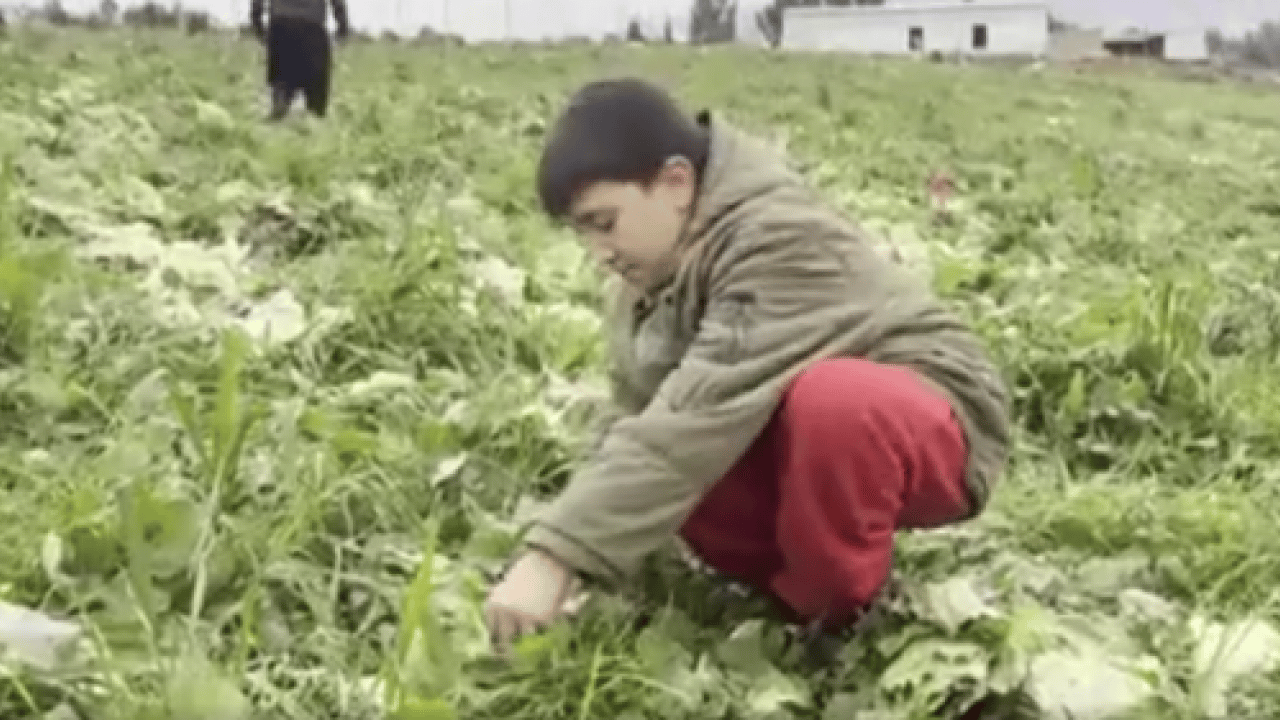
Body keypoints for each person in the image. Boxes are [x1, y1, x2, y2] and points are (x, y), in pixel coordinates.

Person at [482, 78, 1012, 658]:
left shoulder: (777, 236)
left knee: (833, 403)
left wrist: (555, 558)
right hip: (795, 433)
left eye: (605, 223)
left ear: (676, 182)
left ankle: (833, 617)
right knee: (668, 455)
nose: (600, 253)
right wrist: (591, 570)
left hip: (933, 419)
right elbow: (643, 430)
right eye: (583, 233)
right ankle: (781, 596)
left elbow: (693, 419)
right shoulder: (642, 280)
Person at [250, 0, 350, 121]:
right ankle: (310, 126)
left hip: (281, 27)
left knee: (282, 88)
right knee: (316, 106)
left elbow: (256, 3)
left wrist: (257, 25)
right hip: (312, 27)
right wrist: (342, 27)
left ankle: (278, 116)